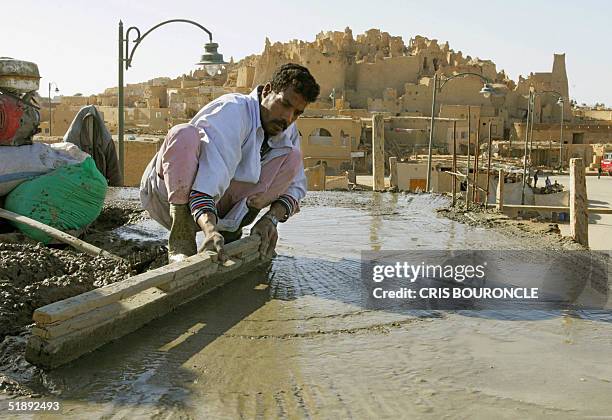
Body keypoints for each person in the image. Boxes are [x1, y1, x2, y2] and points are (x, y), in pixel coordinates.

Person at [140, 63, 320, 262]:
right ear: (268, 91)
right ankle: (181, 238)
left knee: (293, 157)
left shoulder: (286, 129)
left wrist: (271, 219)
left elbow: (296, 186)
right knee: (183, 134)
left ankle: (231, 233)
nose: (288, 117)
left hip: (218, 207)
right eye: (285, 104)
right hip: (169, 197)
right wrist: (209, 229)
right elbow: (210, 178)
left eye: (297, 113)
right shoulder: (233, 110)